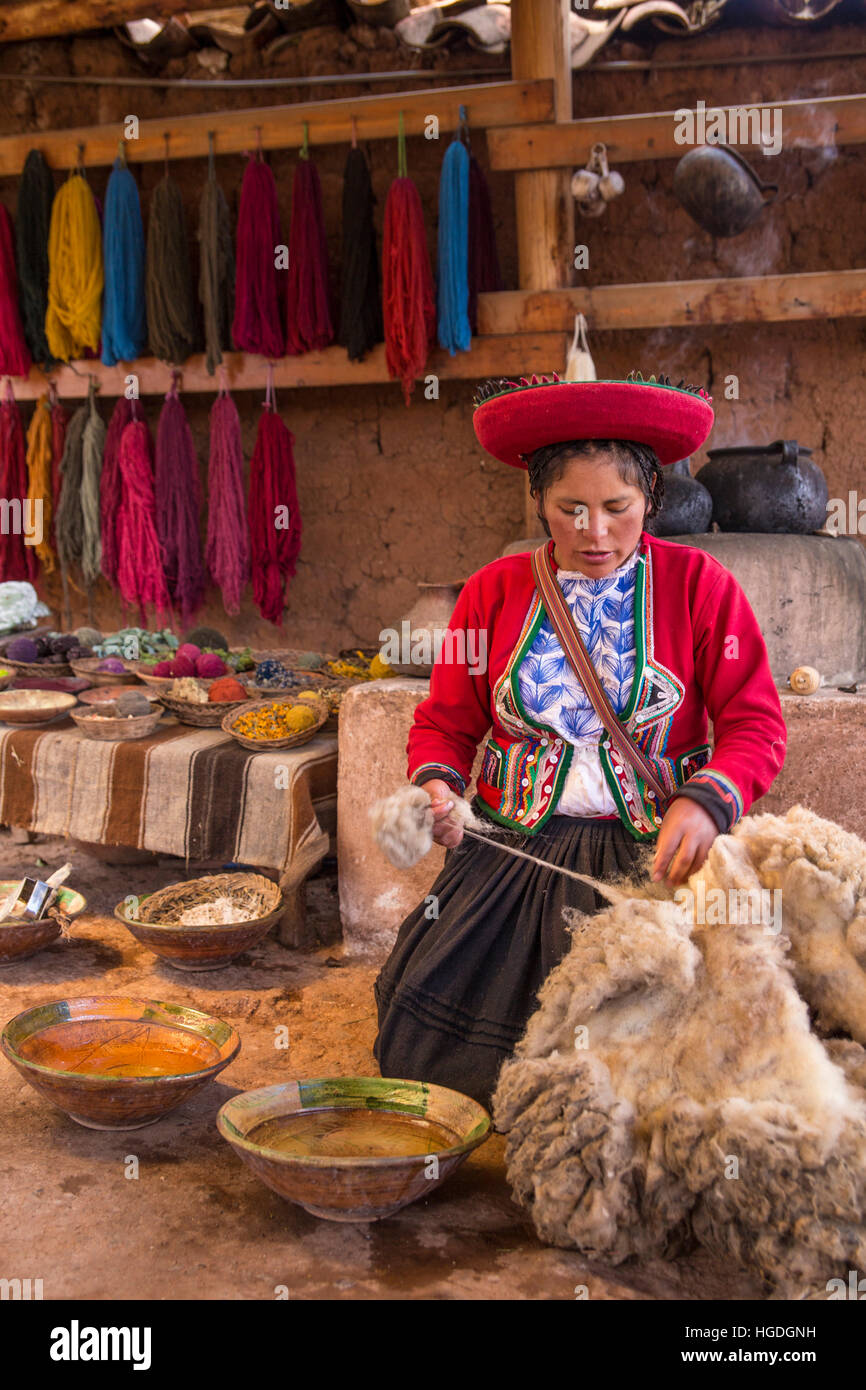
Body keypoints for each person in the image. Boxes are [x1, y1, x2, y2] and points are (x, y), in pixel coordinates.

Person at [373, 372, 787, 1108]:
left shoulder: (700, 585)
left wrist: (707, 803)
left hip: (651, 854)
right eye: (570, 509)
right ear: (539, 502)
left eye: (617, 508)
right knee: (425, 1047)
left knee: (679, 1064)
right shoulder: (493, 591)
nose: (594, 533)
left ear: (651, 501)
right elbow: (445, 721)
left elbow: (755, 723)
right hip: (516, 854)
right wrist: (438, 789)